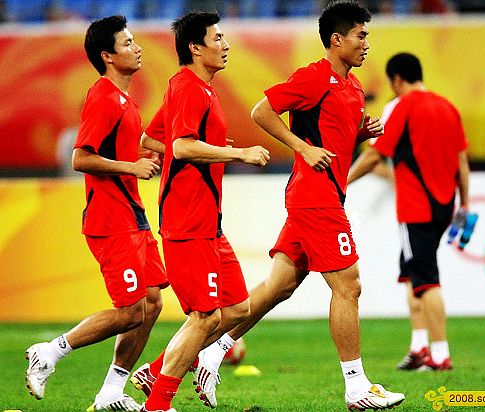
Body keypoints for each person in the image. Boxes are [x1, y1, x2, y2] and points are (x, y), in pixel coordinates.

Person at [134, 1, 404, 410]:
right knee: (349, 286)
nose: (367, 43)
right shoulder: (313, 77)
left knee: (274, 289)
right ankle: (357, 387)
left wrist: (360, 133)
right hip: (314, 200)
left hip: (319, 196)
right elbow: (263, 110)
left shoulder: (350, 87)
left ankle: (191, 359)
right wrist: (297, 147)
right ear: (337, 39)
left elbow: (333, 142)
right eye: (361, 35)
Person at [25, 15, 168, 411]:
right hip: (110, 218)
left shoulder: (125, 100)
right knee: (130, 312)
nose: (137, 47)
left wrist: (146, 156)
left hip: (132, 214)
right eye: (127, 43)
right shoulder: (103, 96)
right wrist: (131, 167)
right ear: (107, 56)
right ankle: (50, 351)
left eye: (135, 40)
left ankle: (110, 393)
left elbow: (120, 151)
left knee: (152, 303)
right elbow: (81, 158)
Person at [133, 11, 270, 412]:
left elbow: (150, 138)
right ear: (196, 47)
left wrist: (210, 150)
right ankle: (157, 404)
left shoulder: (193, 88)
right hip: (188, 221)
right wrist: (235, 152)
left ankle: (156, 370)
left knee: (237, 308)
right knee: (206, 317)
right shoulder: (190, 89)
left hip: (209, 221)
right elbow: (181, 147)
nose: (225, 45)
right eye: (218, 38)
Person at [347, 52, 470, 371]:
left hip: (417, 208)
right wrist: (465, 204)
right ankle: (419, 347)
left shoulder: (402, 107)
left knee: (426, 280)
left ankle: (440, 354)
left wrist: (342, 182)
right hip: (445, 205)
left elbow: (375, 156)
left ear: (396, 79)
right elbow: (461, 162)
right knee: (412, 274)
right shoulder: (447, 107)